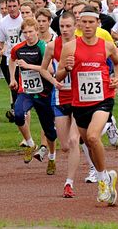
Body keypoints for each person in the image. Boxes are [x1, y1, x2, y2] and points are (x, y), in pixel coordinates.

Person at [56, 6, 118, 206]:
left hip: (103, 99)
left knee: (94, 137)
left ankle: (102, 181)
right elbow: (58, 75)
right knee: (90, 145)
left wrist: (117, 78)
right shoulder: (70, 47)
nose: (87, 26)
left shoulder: (106, 45)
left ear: (98, 23)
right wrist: (67, 68)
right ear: (79, 24)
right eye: (83, 22)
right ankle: (106, 177)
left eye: (91, 22)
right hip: (80, 103)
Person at [39, 11, 81, 198]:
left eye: (68, 26)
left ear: (75, 26)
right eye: (62, 26)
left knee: (74, 141)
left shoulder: (83, 44)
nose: (64, 30)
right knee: (64, 145)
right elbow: (42, 69)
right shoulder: (51, 46)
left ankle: (69, 183)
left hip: (80, 97)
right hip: (60, 97)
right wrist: (54, 80)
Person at [9, 18, 57, 175]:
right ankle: (30, 144)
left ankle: (51, 158)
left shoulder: (43, 47)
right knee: (17, 114)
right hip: (26, 92)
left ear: (37, 31)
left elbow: (49, 69)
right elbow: (12, 59)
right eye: (25, 32)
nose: (28, 35)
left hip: (44, 92)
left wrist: (29, 66)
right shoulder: (18, 48)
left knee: (49, 130)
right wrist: (12, 78)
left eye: (31, 32)